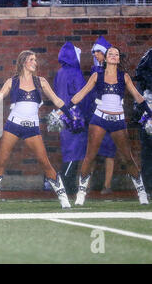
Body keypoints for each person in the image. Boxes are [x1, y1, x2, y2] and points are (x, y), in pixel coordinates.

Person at [0, 50, 72, 210]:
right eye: (32, 59)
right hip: (13, 126)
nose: (35, 62)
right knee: (2, 161)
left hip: (32, 128)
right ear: (24, 62)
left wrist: (70, 115)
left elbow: (56, 100)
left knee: (45, 163)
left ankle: (63, 198)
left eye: (35, 59)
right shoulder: (12, 81)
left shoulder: (41, 82)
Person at [69, 46, 150, 205]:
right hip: (99, 119)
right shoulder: (96, 75)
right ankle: (81, 192)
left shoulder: (124, 76)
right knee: (90, 156)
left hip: (118, 120)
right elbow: (81, 93)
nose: (113, 56)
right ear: (105, 59)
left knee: (128, 157)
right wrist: (65, 109)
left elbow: (138, 97)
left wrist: (150, 112)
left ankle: (141, 192)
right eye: (110, 54)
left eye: (116, 54)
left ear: (119, 59)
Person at [53, 42, 92, 195]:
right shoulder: (75, 73)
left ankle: (66, 184)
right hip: (76, 117)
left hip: (63, 115)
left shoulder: (60, 72)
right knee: (74, 152)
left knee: (68, 150)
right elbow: (83, 96)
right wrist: (87, 114)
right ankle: (66, 184)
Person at [89, 36, 116, 195]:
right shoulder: (95, 70)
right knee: (92, 150)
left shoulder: (114, 71)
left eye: (98, 52)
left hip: (110, 114)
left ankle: (107, 185)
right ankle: (87, 184)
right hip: (97, 115)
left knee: (109, 151)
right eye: (94, 52)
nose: (95, 55)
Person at [134, 48, 152, 199]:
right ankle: (148, 187)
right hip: (149, 105)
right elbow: (140, 73)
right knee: (148, 150)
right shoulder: (149, 55)